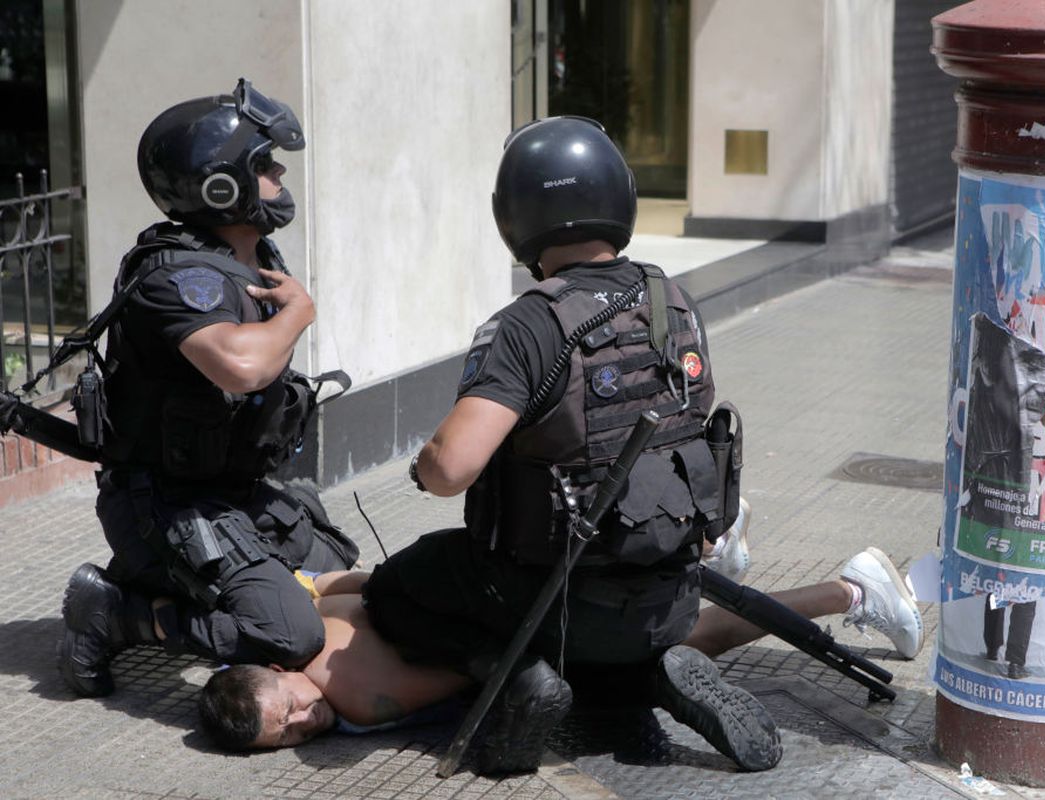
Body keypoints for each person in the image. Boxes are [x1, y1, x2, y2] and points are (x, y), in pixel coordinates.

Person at [369, 115, 782, 773]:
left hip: (553, 597)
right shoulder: (673, 302)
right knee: (599, 656)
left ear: (517, 216)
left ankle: (516, 677)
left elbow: (451, 469)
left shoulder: (527, 325)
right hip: (671, 598)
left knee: (394, 587)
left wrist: (424, 465)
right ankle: (657, 679)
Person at [57, 79, 359, 699]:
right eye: (267, 165)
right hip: (163, 503)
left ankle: (159, 584)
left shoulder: (248, 257)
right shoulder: (179, 278)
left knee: (341, 571)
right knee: (290, 634)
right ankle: (118, 614)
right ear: (221, 186)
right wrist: (300, 312)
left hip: (229, 491)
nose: (280, 175)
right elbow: (241, 367)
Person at [199, 546, 925, 752]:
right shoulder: (311, 615)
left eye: (288, 709)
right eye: (284, 735)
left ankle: (849, 590)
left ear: (276, 670)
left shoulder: (353, 695)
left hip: (513, 641)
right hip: (491, 591)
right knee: (669, 627)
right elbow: (353, 580)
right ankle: (713, 542)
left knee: (677, 642)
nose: (303, 723)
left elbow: (465, 685)